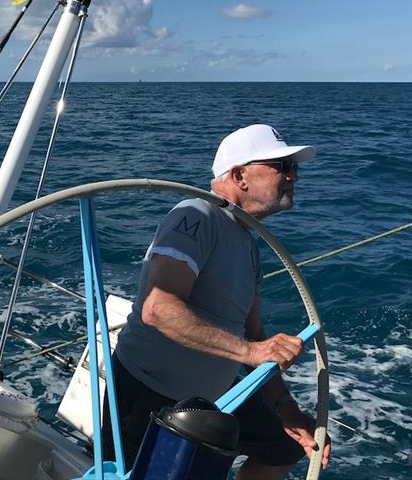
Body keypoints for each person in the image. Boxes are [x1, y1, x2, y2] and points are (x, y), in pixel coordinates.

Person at [103, 124, 331, 479]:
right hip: (149, 397)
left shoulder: (248, 245)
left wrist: (286, 410)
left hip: (212, 399)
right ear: (240, 176)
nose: (293, 177)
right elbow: (158, 308)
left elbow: (254, 336)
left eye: (294, 168)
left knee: (282, 450)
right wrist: (251, 353)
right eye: (283, 167)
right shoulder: (197, 215)